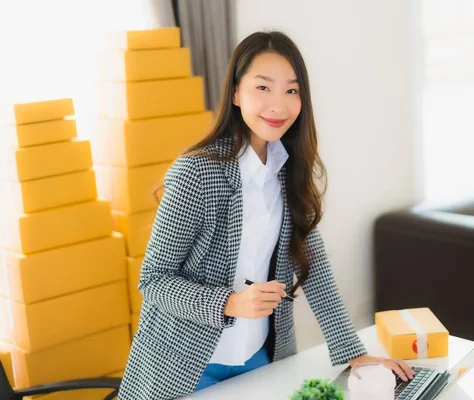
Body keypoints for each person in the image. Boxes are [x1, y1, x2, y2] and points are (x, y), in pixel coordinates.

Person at [118, 30, 415, 400]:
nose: (278, 105)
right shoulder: (196, 173)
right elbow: (154, 280)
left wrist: (355, 354)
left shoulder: (287, 171)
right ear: (235, 94)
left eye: (291, 91)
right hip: (188, 367)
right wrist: (231, 303)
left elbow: (313, 265)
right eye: (263, 87)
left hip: (261, 359)